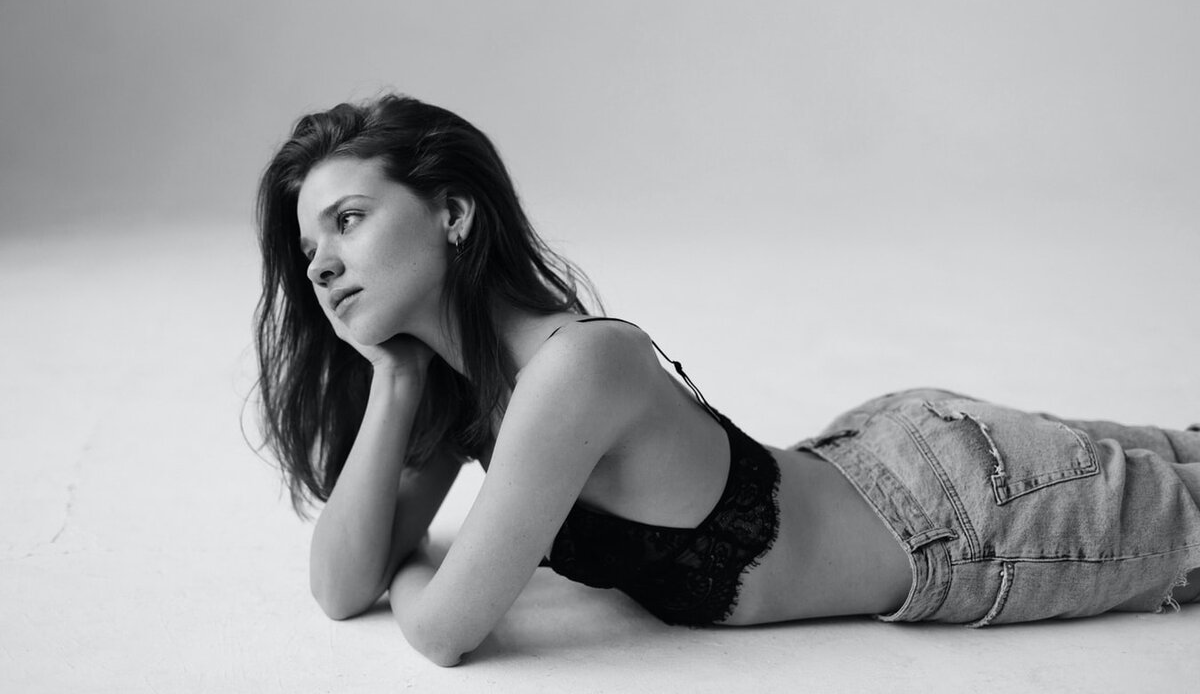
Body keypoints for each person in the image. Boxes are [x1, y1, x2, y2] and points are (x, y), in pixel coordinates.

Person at [253, 93, 1200, 667]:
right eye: (307, 247)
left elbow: (442, 631)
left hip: (965, 520)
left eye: (349, 219)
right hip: (889, 453)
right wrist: (394, 381)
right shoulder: (464, 386)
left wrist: (413, 561)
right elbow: (338, 586)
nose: (322, 264)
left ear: (453, 213)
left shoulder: (575, 366)